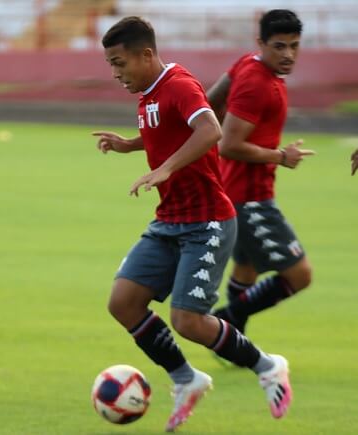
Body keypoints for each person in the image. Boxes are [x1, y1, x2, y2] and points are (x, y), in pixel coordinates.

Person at [93, 17, 292, 432]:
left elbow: (211, 130)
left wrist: (164, 169)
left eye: (119, 63)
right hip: (168, 222)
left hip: (208, 223)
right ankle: (187, 379)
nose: (116, 74)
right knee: (122, 303)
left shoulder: (179, 84)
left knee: (188, 320)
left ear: (145, 55)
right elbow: (161, 133)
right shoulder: (147, 93)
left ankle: (268, 366)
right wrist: (128, 145)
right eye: (111, 65)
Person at [207, 10, 314, 335]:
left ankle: (233, 341)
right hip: (250, 198)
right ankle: (224, 322)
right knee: (300, 275)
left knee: (246, 268)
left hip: (233, 192)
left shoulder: (247, 64)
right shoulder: (257, 84)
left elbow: (209, 102)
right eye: (279, 46)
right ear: (261, 43)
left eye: (294, 46)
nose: (288, 55)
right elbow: (228, 144)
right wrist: (281, 156)